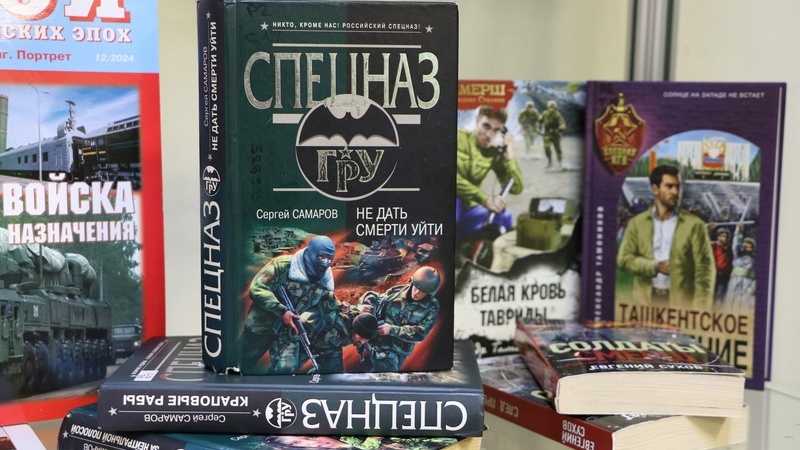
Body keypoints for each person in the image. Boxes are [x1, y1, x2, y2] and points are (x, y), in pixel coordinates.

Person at [617, 165, 716, 308]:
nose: (675, 192)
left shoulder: (695, 225)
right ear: (655, 189)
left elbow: (705, 270)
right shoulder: (637, 223)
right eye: (669, 186)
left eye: (678, 187)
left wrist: (701, 309)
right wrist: (655, 266)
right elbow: (624, 260)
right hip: (644, 304)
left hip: (681, 306)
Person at [240, 235, 341, 373]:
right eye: (322, 257)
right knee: (239, 364)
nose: (325, 263)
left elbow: (330, 304)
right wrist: (282, 311)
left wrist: (349, 310)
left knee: (286, 372)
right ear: (311, 253)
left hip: (288, 333)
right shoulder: (283, 265)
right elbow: (257, 288)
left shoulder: (324, 282)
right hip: (261, 327)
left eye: (329, 259)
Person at [456, 105, 524, 241]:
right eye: (486, 126)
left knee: (506, 217)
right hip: (449, 202)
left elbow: (516, 188)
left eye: (496, 130)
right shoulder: (458, 137)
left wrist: (510, 153)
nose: (489, 135)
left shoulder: (494, 153)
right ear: (477, 121)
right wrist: (485, 199)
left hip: (471, 207)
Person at [357, 266, 441, 372]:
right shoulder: (396, 292)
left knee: (386, 375)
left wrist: (392, 330)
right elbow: (377, 299)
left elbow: (421, 333)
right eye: (416, 287)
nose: (417, 292)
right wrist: (365, 305)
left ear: (429, 293)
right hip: (375, 341)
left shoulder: (431, 307)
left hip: (396, 350)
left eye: (422, 291)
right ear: (412, 282)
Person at [723, 224, 756, 311]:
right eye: (745, 244)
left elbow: (757, 276)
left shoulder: (755, 260)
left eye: (749, 245)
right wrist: (738, 231)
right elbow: (735, 245)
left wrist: (753, 287)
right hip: (734, 282)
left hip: (747, 284)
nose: (747, 247)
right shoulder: (737, 256)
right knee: (731, 303)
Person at [710, 226, 734, 304]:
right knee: (711, 294)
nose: (722, 238)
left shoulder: (730, 247)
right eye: (720, 236)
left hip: (724, 275)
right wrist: (710, 230)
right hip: (714, 274)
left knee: (720, 296)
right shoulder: (714, 245)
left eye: (724, 236)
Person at [540, 100, 566, 168]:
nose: (551, 109)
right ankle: (550, 162)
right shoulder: (544, 114)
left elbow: (562, 124)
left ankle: (560, 163)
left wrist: (559, 129)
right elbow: (540, 121)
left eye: (553, 108)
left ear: (555, 108)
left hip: (555, 134)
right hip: (547, 134)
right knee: (547, 147)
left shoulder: (557, 115)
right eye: (550, 107)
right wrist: (538, 128)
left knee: (557, 149)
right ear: (547, 107)